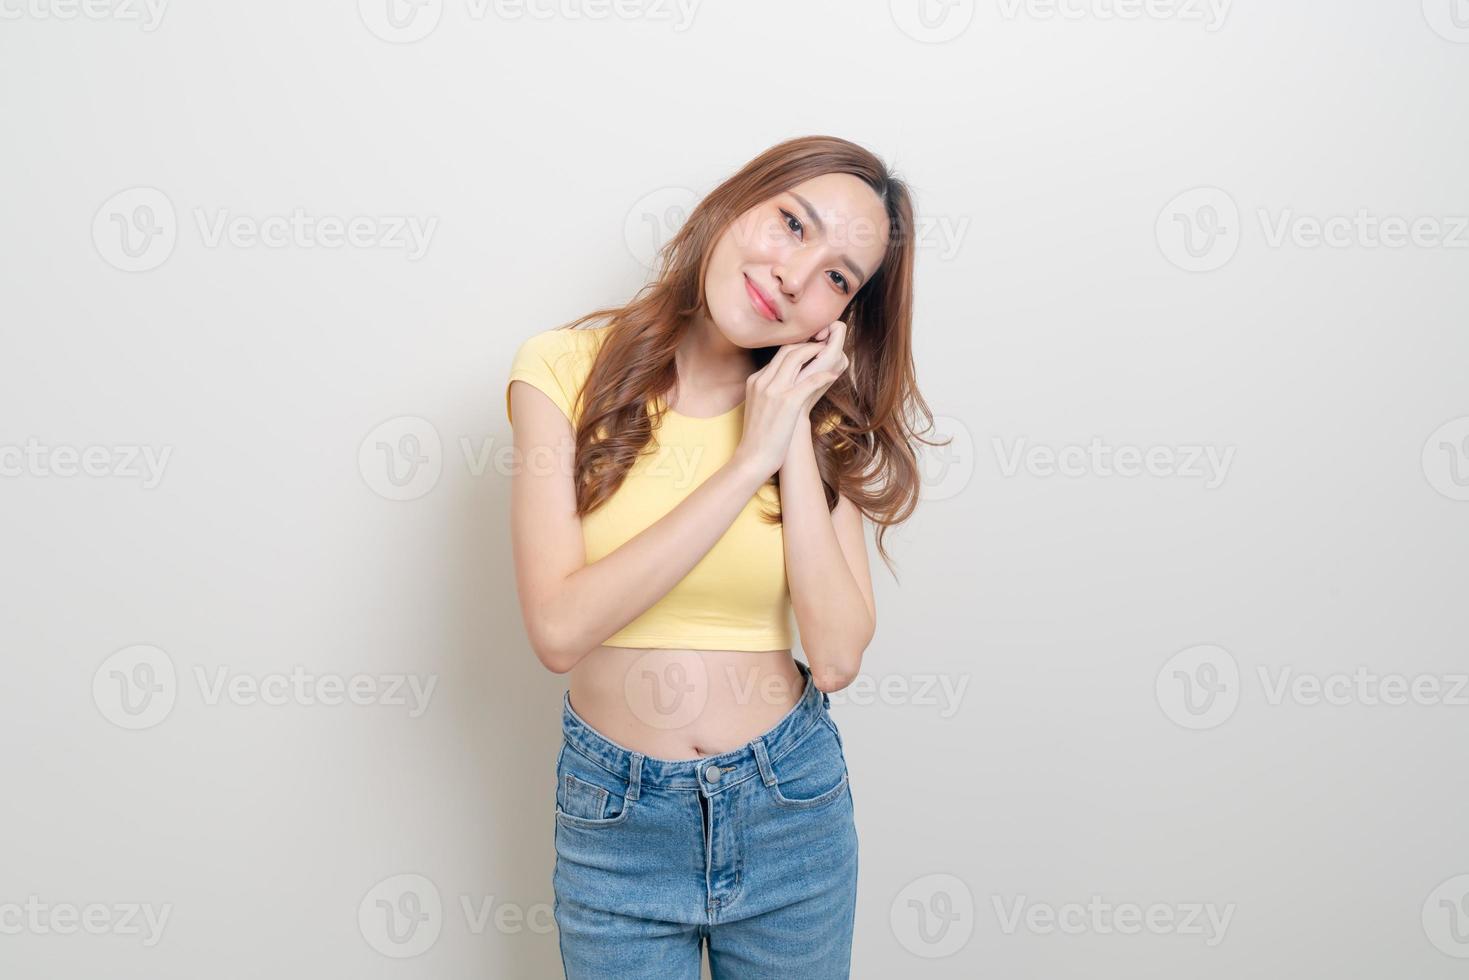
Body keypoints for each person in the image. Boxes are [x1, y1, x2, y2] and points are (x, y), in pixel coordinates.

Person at [506, 134, 933, 979]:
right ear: (733, 204)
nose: (794, 277)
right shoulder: (560, 371)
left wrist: (788, 431)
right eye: (790, 225)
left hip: (790, 808)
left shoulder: (815, 424)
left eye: (838, 278)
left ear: (840, 318)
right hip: (615, 824)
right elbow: (557, 629)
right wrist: (743, 463)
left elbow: (839, 653)